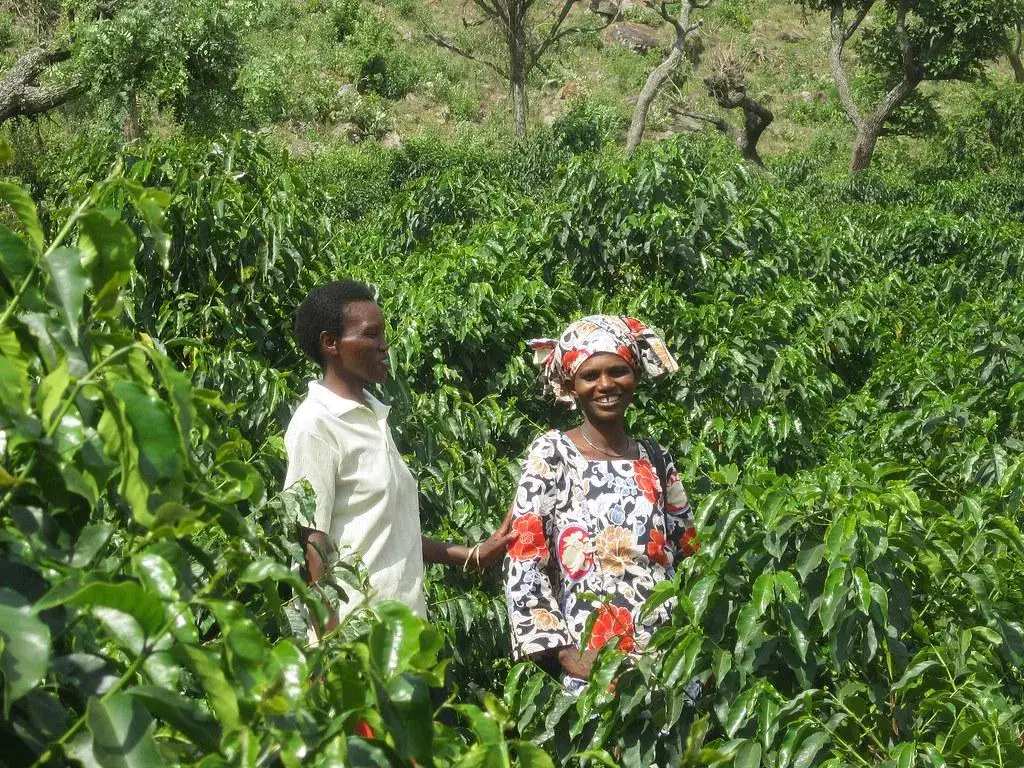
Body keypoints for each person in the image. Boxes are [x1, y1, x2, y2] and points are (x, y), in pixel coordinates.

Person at [285, 280, 517, 639]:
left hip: (402, 638)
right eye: (370, 335)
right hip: (357, 643)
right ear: (331, 343)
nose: (384, 346)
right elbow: (313, 547)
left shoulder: (374, 416)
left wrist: (471, 554)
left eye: (384, 333)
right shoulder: (316, 423)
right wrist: (332, 657)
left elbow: (391, 534)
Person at [504, 315, 699, 690]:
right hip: (593, 668)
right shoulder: (553, 455)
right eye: (590, 376)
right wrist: (564, 653)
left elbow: (689, 556)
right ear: (571, 386)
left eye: (618, 372)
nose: (606, 385)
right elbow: (525, 558)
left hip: (669, 665)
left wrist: (694, 651)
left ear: (635, 377)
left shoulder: (656, 459)